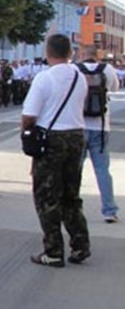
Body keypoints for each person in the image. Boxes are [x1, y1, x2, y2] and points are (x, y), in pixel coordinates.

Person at [21, 34, 90, 267]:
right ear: (70, 53)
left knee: (47, 197)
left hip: (52, 140)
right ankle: (81, 245)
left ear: (48, 52)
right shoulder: (79, 77)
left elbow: (29, 115)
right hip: (76, 136)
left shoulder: (44, 78)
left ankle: (53, 250)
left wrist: (27, 132)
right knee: (71, 195)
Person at [77, 45, 119, 223]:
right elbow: (115, 88)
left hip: (78, 126)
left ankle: (73, 208)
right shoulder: (107, 69)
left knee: (74, 170)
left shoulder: (76, 70)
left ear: (83, 54)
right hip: (101, 127)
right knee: (102, 170)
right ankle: (109, 210)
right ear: (97, 55)